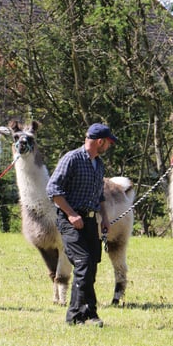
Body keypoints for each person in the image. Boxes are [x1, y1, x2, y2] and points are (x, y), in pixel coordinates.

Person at [46, 123, 119, 327]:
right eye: (109, 142)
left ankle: (90, 313)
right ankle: (74, 316)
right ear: (100, 141)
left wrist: (104, 218)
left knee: (91, 266)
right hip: (70, 221)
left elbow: (99, 195)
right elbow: (53, 190)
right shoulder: (72, 159)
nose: (109, 146)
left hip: (90, 221)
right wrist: (71, 215)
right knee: (83, 262)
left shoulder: (99, 164)